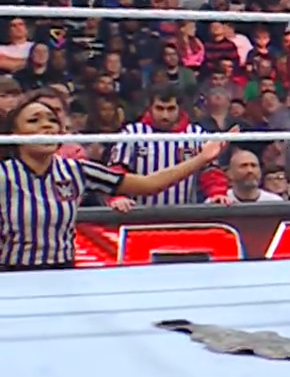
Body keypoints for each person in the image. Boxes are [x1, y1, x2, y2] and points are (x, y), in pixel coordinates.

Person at [1, 88, 227, 270]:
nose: (46, 126)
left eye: (52, 120)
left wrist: (202, 158)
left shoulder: (76, 170)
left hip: (63, 270)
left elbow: (148, 184)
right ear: (14, 133)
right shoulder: (4, 175)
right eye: (34, 120)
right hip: (12, 273)